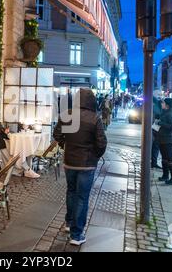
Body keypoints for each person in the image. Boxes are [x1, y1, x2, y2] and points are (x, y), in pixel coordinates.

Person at [53, 88, 108, 246]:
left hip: (69, 162)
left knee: (71, 192)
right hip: (86, 164)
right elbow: (101, 143)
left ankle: (69, 224)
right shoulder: (94, 118)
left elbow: (57, 135)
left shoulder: (67, 114)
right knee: (82, 197)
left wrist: (66, 145)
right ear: (91, 100)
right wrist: (95, 155)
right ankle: (76, 235)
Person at [155, 98, 172, 185]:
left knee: (170, 159)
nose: (162, 104)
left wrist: (160, 123)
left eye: (163, 103)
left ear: (168, 105)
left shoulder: (171, 113)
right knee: (164, 158)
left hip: (169, 139)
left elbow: (171, 126)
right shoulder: (165, 112)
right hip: (162, 138)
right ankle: (165, 175)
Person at [152, 93, 162, 169]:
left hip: (156, 128)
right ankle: (153, 162)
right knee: (155, 146)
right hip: (156, 128)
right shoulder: (156, 107)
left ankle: (153, 162)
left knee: (155, 146)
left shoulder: (155, 106)